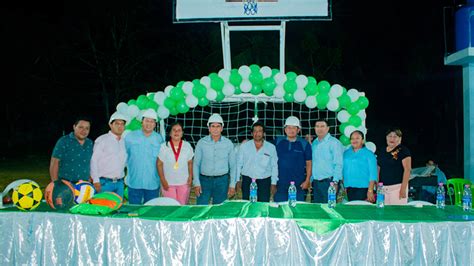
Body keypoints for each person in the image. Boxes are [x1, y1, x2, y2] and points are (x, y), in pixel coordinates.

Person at [193, 113, 236, 205]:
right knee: (201, 209)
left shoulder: (228, 144)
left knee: (219, 211)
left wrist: (232, 185)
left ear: (222, 128)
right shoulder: (201, 143)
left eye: (218, 126)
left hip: (222, 182)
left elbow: (233, 166)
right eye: (213, 126)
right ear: (209, 128)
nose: (215, 129)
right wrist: (196, 183)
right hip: (204, 181)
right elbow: (196, 164)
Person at [124, 109, 164, 204]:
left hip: (152, 183)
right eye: (146, 120)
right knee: (133, 212)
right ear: (142, 121)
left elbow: (162, 161)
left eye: (152, 121)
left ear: (155, 124)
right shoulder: (130, 136)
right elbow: (123, 156)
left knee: (149, 213)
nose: (149, 124)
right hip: (134, 182)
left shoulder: (159, 139)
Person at [236, 122, 278, 202]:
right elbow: (239, 164)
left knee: (263, 206)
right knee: (247, 205)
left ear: (264, 133)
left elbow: (274, 166)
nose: (257, 133)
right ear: (251, 133)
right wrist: (238, 180)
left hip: (264, 182)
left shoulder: (271, 148)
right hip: (247, 181)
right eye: (255, 131)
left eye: (259, 131)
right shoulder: (244, 147)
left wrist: (273, 183)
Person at [273, 116, 312, 202]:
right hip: (280, 184)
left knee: (297, 210)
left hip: (298, 185)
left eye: (294, 128)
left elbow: (309, 163)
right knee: (279, 210)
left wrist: (307, 180)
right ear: (285, 129)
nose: (291, 130)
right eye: (289, 127)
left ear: (298, 130)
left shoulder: (304, 144)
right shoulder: (277, 141)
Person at [90, 112, 128, 197]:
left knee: (118, 209)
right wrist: (96, 180)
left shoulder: (124, 142)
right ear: (110, 125)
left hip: (119, 184)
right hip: (104, 183)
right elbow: (94, 160)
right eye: (117, 123)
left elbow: (125, 162)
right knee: (101, 208)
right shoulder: (102, 140)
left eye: (122, 124)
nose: (120, 126)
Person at [157, 122, 194, 205]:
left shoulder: (187, 146)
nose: (176, 132)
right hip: (168, 183)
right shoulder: (164, 146)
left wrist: (191, 176)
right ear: (170, 133)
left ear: (182, 133)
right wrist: (163, 180)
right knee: (171, 207)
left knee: (182, 206)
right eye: (174, 130)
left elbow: (190, 162)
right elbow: (159, 164)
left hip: (184, 182)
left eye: (179, 130)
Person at [50, 117, 93, 183]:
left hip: (85, 185)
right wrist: (55, 183)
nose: (84, 131)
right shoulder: (64, 141)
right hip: (65, 184)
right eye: (81, 127)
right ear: (74, 127)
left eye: (87, 128)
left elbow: (93, 163)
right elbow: (54, 162)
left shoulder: (90, 143)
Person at [311, 119, 344, 203]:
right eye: (317, 126)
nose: (319, 129)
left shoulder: (334, 143)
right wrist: (311, 180)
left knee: (329, 210)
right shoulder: (314, 143)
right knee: (318, 211)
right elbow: (314, 163)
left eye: (322, 126)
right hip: (316, 183)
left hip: (330, 182)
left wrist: (335, 182)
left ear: (328, 128)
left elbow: (338, 164)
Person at [377, 128, 412, 205]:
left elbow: (407, 169)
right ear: (386, 137)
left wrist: (403, 189)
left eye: (395, 136)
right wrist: (377, 185)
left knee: (397, 214)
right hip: (383, 188)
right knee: (384, 214)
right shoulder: (382, 150)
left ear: (400, 138)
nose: (392, 138)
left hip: (397, 188)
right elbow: (378, 168)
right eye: (390, 136)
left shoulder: (403, 150)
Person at [342, 130, 377, 202]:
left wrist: (370, 191)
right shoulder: (346, 153)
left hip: (364, 188)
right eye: (352, 138)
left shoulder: (369, 154)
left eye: (357, 138)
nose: (354, 140)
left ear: (363, 140)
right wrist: (344, 186)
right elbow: (343, 170)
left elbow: (373, 174)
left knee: (362, 212)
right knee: (352, 212)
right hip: (349, 188)